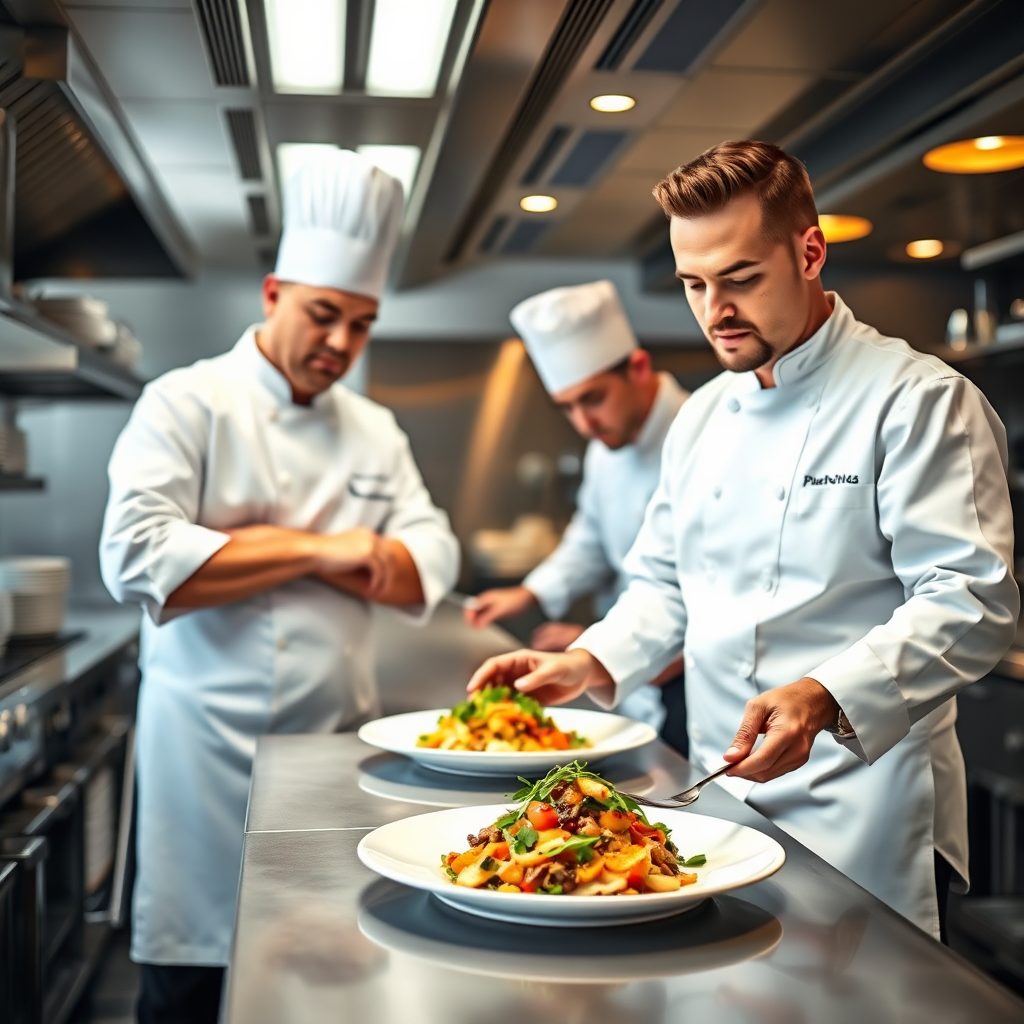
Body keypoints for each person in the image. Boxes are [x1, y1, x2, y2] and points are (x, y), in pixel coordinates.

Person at [468, 140, 1018, 941]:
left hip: (864, 807)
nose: (715, 310)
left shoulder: (917, 401)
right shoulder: (701, 417)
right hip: (718, 803)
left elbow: (974, 602)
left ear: (810, 251)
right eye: (694, 283)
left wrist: (826, 692)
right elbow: (662, 583)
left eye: (741, 279)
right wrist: (586, 659)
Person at [100, 150, 459, 1023]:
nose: (340, 344)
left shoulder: (374, 430)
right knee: (191, 986)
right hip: (204, 770)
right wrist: (325, 551)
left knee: (327, 990)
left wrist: (252, 547)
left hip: (336, 769)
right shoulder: (187, 404)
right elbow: (139, 560)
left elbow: (433, 559)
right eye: (324, 315)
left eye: (362, 325)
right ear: (272, 295)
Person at [464, 280, 688, 746]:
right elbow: (590, 536)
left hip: (683, 677)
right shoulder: (604, 447)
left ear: (639, 368)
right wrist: (531, 592)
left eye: (593, 398)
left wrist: (593, 643)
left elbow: (697, 592)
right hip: (627, 662)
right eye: (568, 408)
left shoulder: (697, 435)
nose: (584, 423)